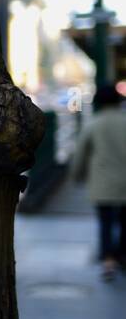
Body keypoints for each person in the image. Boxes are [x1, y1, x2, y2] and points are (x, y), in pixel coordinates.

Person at [70, 84, 126, 280]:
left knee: (105, 223)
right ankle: (122, 256)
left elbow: (81, 154)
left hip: (103, 184)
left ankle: (108, 261)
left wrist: (76, 176)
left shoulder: (93, 124)